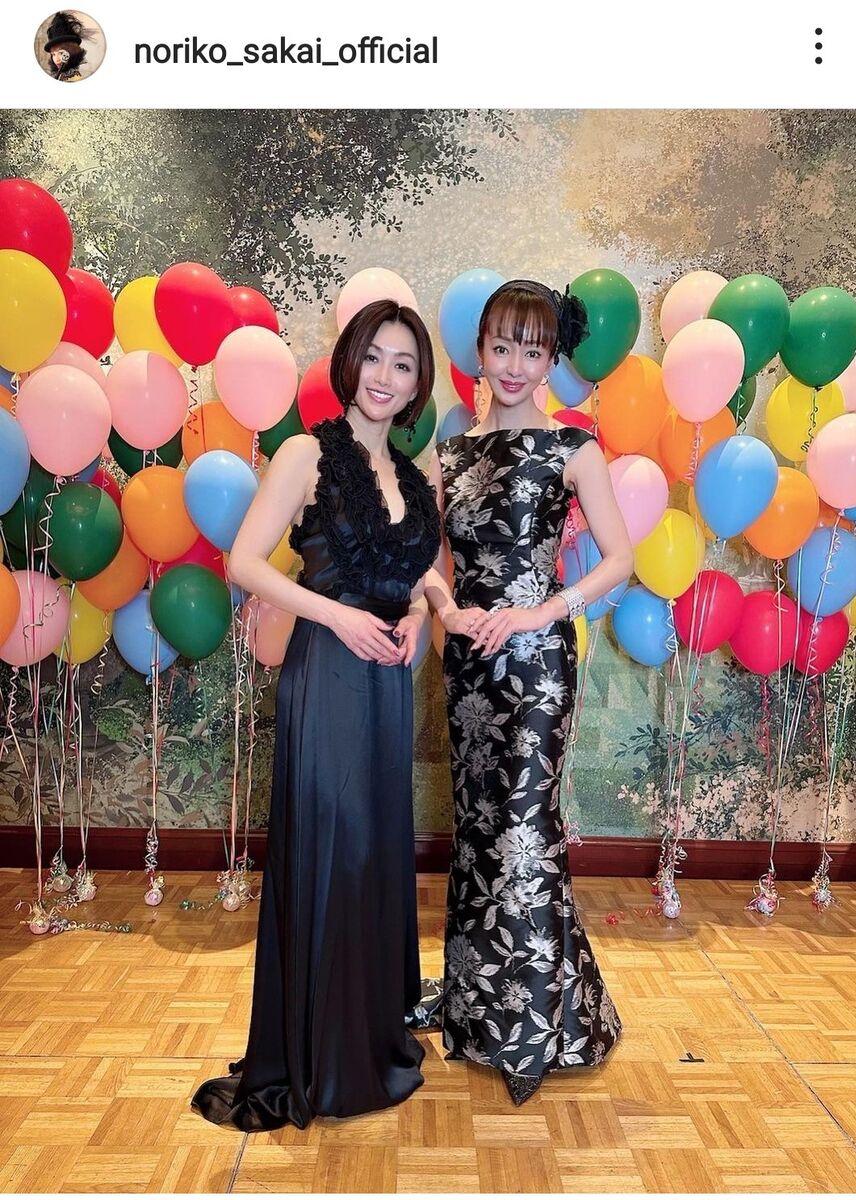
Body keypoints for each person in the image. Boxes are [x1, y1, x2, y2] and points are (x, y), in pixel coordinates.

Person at [192, 299, 441, 1131]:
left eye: (403, 364)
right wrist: (334, 615)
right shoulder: (306, 452)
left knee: (372, 855)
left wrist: (418, 614)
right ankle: (316, 1055)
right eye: (373, 357)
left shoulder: (412, 476)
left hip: (386, 683)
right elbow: (244, 562)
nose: (384, 376)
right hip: (328, 673)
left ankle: (365, 1040)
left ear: (418, 382)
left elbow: (416, 576)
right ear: (349, 362)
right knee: (333, 848)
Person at [425, 279, 633, 1104]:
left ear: (552, 360)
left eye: (533, 350)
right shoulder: (449, 453)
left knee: (524, 830)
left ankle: (542, 1025)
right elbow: (430, 564)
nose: (515, 364)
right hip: (469, 662)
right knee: (478, 830)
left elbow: (619, 559)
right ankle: (478, 1009)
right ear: (479, 351)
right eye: (502, 346)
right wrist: (449, 609)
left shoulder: (573, 448)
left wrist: (545, 609)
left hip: (539, 663)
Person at [43, 12, 89, 81]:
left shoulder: (80, 76)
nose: (56, 59)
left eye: (61, 53)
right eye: (53, 54)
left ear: (72, 51)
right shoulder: (57, 76)